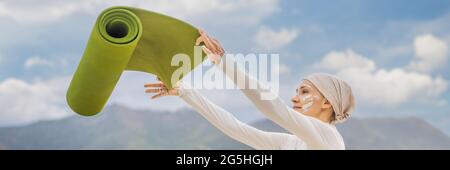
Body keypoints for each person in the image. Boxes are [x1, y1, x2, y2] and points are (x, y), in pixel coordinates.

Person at [144, 30, 355, 150]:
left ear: (328, 102)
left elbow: (273, 107)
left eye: (305, 92)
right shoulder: (291, 143)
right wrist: (185, 91)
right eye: (297, 90)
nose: (295, 97)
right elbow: (235, 128)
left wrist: (223, 62)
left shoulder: (329, 139)